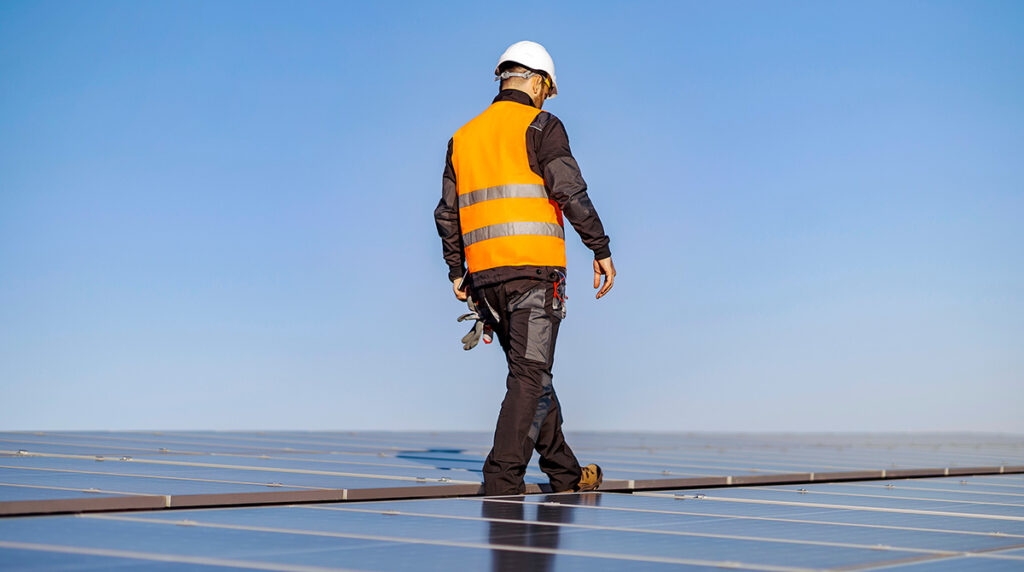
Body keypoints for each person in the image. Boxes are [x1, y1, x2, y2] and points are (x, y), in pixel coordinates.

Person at [434, 40, 616, 496]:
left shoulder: (464, 136)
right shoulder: (541, 125)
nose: (545, 98)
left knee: (530, 375)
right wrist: (600, 247)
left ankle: (566, 475)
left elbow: (446, 213)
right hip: (534, 277)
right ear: (536, 81)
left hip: (485, 282)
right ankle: (501, 481)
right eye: (546, 89)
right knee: (529, 378)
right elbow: (569, 191)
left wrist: (458, 271)